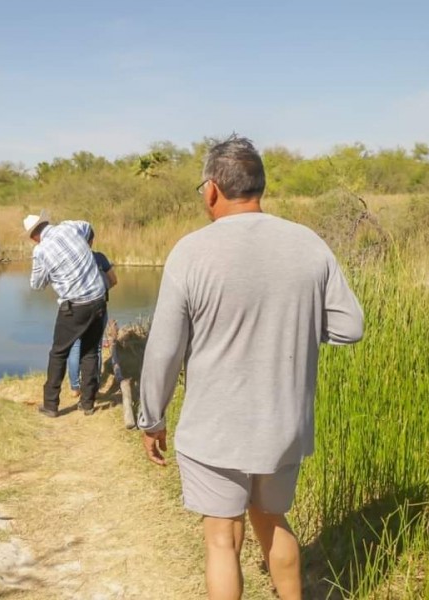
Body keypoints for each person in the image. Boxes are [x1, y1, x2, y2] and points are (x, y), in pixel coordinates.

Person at [138, 136, 364, 600]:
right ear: (258, 186)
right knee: (273, 522)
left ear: (213, 189)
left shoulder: (190, 252)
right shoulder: (307, 243)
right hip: (284, 424)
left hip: (215, 428)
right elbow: (350, 326)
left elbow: (163, 349)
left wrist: (152, 418)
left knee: (222, 538)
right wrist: (293, 328)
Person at [25, 213, 107, 417]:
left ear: (33, 236)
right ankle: (88, 403)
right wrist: (85, 250)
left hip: (75, 306)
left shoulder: (40, 250)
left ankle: (51, 405)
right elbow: (89, 226)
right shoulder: (70, 227)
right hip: (98, 300)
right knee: (89, 351)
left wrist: (51, 275)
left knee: (58, 353)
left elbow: (36, 285)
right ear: (46, 222)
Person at [66, 228, 117, 396]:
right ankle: (93, 383)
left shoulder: (70, 259)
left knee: (75, 346)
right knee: (96, 347)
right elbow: (113, 280)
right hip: (99, 306)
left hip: (76, 307)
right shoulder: (99, 258)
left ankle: (75, 387)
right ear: (91, 241)